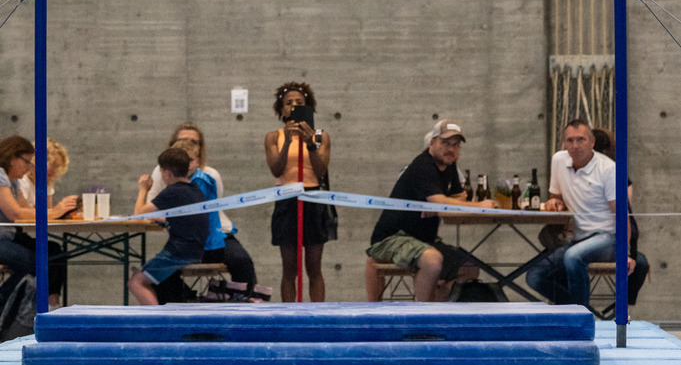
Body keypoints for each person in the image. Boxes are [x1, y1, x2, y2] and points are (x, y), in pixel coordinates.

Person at [366, 120, 497, 301]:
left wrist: (440, 204)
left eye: (455, 145)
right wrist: (479, 206)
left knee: (468, 267)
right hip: (393, 238)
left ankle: (439, 311)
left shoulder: (449, 165)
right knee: (432, 261)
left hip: (424, 239)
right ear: (432, 143)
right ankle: (422, 319)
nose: (450, 149)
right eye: (445, 143)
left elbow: (458, 198)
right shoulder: (424, 166)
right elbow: (442, 202)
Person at [147, 121, 256, 290]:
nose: (186, 146)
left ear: (198, 154)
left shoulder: (209, 176)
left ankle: (249, 300)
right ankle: (189, 304)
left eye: (193, 142)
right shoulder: (161, 172)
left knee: (242, 261)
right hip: (184, 237)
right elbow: (150, 205)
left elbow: (210, 214)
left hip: (216, 234)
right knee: (159, 274)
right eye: (181, 141)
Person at [526, 119, 620, 309]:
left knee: (572, 257)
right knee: (533, 276)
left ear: (592, 142)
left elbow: (621, 215)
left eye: (581, 140)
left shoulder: (608, 169)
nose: (575, 146)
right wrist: (555, 202)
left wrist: (627, 252)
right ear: (564, 142)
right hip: (576, 238)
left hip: (607, 237)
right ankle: (573, 308)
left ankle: (580, 316)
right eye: (570, 140)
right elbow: (557, 198)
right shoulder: (559, 160)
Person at [264, 81, 336, 302]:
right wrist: (287, 142)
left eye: (299, 103)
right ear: (281, 109)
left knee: (314, 266)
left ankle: (318, 315)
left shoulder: (321, 136)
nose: (294, 106)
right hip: (287, 200)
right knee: (289, 268)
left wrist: (310, 143)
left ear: (309, 107)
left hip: (313, 199)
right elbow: (276, 169)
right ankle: (289, 315)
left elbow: (321, 169)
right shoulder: (273, 137)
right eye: (289, 103)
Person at [0, 136, 77, 310]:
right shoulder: (1, 176)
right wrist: (55, 212)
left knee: (53, 252)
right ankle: (7, 305)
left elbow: (23, 212)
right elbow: (15, 213)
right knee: (38, 263)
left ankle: (50, 302)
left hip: (9, 237)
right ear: (13, 158)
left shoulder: (10, 179)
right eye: (27, 162)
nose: (29, 167)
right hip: (4, 239)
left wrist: (56, 213)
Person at [128, 147, 208, 306]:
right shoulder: (195, 190)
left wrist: (143, 189)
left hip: (179, 253)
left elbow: (139, 213)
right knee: (150, 278)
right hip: (195, 250)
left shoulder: (173, 191)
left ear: (167, 173)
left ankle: (157, 322)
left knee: (136, 282)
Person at [592, 127, 649, 306]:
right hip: (596, 240)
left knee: (639, 263)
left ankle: (619, 309)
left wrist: (628, 254)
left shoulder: (616, 175)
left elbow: (627, 220)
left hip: (613, 240)